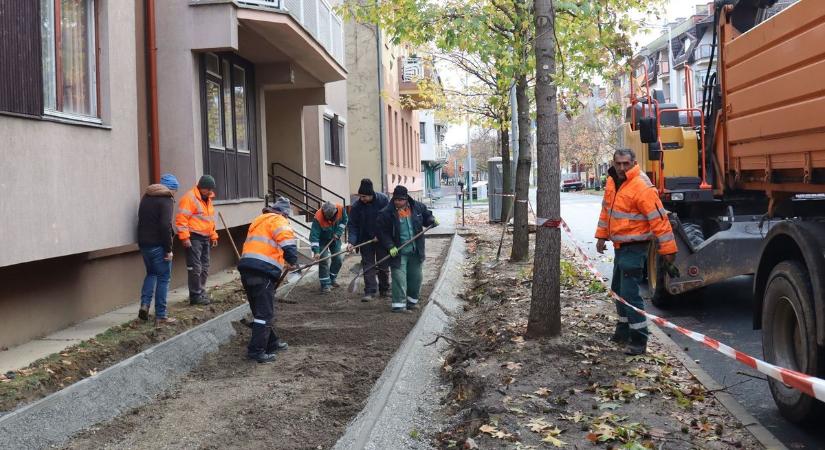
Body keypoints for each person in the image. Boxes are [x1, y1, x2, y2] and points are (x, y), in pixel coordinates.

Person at [595, 149, 678, 356]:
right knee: (618, 290)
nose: (622, 168)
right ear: (613, 163)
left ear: (634, 162)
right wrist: (601, 236)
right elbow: (607, 212)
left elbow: (660, 220)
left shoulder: (641, 186)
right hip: (620, 247)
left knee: (630, 294)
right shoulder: (613, 181)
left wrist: (668, 250)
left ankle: (639, 340)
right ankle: (623, 332)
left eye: (626, 163)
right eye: (618, 163)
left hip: (635, 247)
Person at [237, 197, 298, 363]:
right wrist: (293, 260)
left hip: (247, 268)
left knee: (260, 310)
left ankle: (272, 342)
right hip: (262, 271)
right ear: (285, 213)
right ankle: (256, 351)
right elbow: (287, 241)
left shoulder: (259, 220)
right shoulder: (278, 220)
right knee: (265, 313)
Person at [377, 185, 437, 313]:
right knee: (399, 278)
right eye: (396, 199)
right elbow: (382, 232)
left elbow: (427, 217)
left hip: (415, 250)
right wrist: (390, 246)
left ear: (406, 199)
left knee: (416, 277)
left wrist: (431, 220)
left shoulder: (417, 207)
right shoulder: (386, 213)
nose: (398, 202)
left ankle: (412, 302)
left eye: (401, 200)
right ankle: (399, 305)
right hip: (398, 252)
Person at [137, 173, 179, 323]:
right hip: (158, 245)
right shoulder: (166, 200)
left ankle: (145, 305)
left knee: (151, 274)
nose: (175, 195)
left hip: (144, 244)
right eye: (175, 191)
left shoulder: (146, 197)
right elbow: (164, 225)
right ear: (172, 188)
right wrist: (168, 249)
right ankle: (161, 315)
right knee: (163, 278)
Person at [175, 175, 219, 305]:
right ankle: (195, 296)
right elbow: (181, 220)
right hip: (194, 237)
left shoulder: (208, 199)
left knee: (205, 266)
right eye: (207, 189)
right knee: (195, 267)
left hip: (205, 237)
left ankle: (201, 292)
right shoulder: (189, 198)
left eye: (211, 189)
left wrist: (213, 235)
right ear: (201, 187)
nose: (210, 191)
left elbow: (210, 220)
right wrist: (184, 237)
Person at [346, 178, 390, 302]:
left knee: (383, 264)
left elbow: (388, 220)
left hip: (381, 239)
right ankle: (370, 291)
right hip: (365, 239)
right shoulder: (357, 206)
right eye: (360, 196)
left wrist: (380, 235)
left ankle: (384, 289)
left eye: (364, 196)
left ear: (371, 194)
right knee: (368, 265)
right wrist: (351, 242)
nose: (362, 199)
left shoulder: (383, 200)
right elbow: (353, 225)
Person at [310, 201, 348, 293]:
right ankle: (325, 285)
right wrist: (316, 251)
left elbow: (344, 221)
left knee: (338, 259)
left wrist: (338, 233)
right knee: (323, 260)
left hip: (335, 238)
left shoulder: (340, 209)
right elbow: (314, 236)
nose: (329, 220)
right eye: (327, 218)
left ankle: (332, 279)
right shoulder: (318, 217)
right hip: (322, 240)